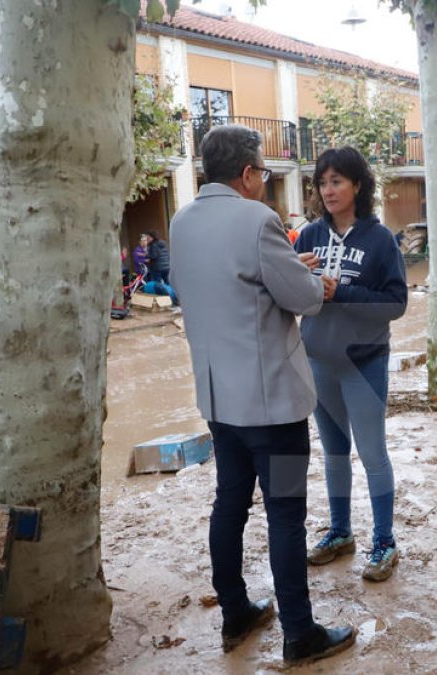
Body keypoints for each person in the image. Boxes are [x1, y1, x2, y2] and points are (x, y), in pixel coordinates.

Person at [168, 124, 354, 665]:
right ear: (247, 174)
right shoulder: (257, 219)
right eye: (263, 173)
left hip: (220, 405)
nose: (263, 183)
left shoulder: (182, 221)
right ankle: (301, 633)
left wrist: (289, 270)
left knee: (229, 505)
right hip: (275, 406)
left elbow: (223, 287)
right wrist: (311, 281)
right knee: (287, 513)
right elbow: (301, 299)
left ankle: (235, 614)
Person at [293, 147, 408, 582]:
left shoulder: (380, 240)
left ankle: (384, 541)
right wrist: (298, 281)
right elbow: (292, 296)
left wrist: (339, 292)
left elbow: (396, 303)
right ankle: (341, 532)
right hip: (318, 360)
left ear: (358, 185)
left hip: (363, 363)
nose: (328, 190)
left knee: (372, 453)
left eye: (337, 181)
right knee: (334, 453)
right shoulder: (307, 237)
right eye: (322, 182)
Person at [144, 230, 178, 306]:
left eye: (148, 237)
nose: (147, 239)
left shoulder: (153, 245)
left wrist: (146, 256)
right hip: (166, 267)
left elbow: (154, 255)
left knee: (158, 285)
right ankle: (174, 299)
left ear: (152, 237)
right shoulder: (163, 243)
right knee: (168, 283)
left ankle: (162, 302)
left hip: (157, 268)